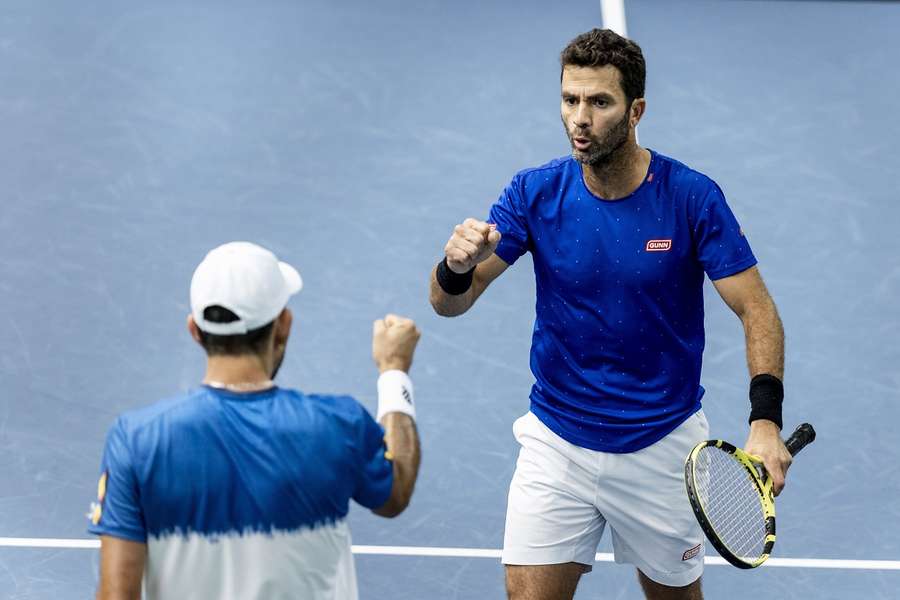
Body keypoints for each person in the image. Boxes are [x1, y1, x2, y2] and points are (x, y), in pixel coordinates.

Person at [429, 29, 791, 600]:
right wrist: (453, 266)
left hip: (661, 443)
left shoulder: (691, 198)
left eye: (599, 102)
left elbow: (757, 309)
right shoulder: (534, 192)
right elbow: (451, 303)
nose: (581, 118)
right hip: (558, 441)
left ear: (635, 109)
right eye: (571, 100)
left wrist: (765, 421)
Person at [87, 241, 421, 600]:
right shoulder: (337, 427)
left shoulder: (136, 441)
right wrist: (394, 370)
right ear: (283, 325)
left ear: (194, 330)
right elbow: (395, 492)